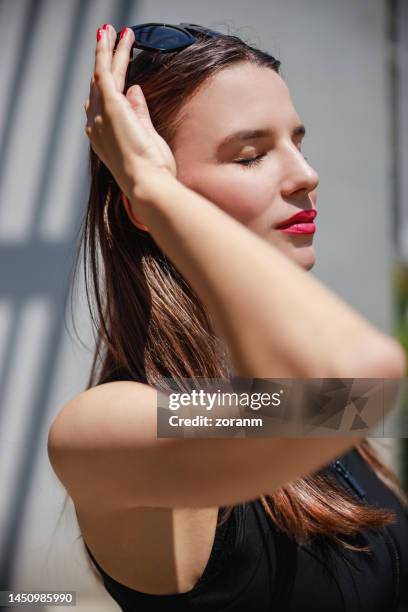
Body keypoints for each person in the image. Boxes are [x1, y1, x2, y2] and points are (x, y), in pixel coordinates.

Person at [47, 22, 408, 611]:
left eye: (298, 141)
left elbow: (351, 399)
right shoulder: (109, 427)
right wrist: (153, 188)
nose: (306, 174)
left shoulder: (285, 394)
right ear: (144, 204)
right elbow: (361, 382)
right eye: (251, 155)